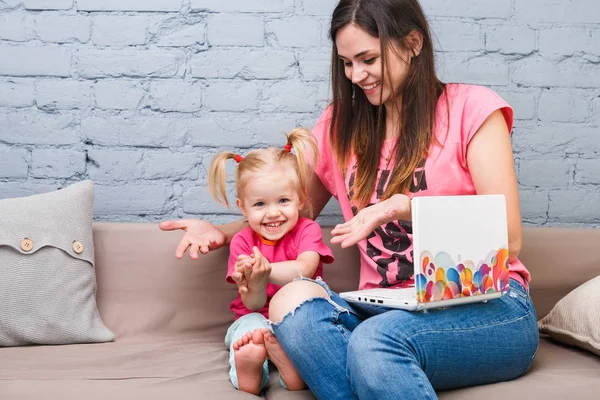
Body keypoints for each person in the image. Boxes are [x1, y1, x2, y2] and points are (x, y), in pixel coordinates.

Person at [159, 0, 539, 398]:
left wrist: (401, 207)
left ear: (412, 43)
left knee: (374, 341)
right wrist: (219, 232)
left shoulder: (472, 110)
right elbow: (287, 209)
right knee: (291, 306)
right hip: (387, 306)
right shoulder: (338, 127)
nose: (357, 75)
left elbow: (507, 239)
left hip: (489, 305)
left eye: (368, 59)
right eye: (346, 63)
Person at [201, 127, 334, 396]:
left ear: (300, 200)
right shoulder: (241, 241)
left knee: (312, 341)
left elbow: (305, 268)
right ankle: (250, 372)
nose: (273, 213)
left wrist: (265, 271)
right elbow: (252, 303)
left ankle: (293, 372)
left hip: (298, 319)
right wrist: (257, 283)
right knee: (249, 333)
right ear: (243, 207)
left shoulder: (308, 230)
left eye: (283, 200)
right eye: (260, 204)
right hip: (255, 318)